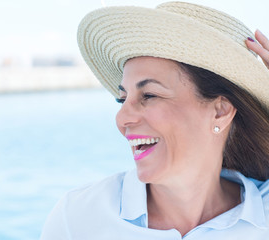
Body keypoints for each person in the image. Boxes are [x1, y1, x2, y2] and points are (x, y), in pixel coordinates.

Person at [40, 2, 269, 239]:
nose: (122, 118)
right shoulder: (78, 217)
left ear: (220, 111)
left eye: (149, 95)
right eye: (122, 99)